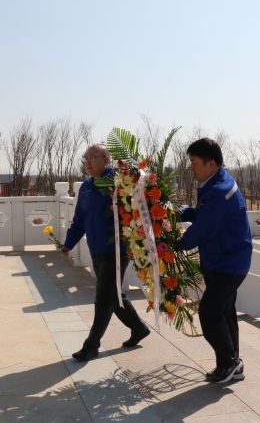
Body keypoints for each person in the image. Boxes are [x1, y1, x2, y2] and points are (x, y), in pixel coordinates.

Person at [61, 144, 150, 361]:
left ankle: (91, 345)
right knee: (114, 295)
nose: (88, 162)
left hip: (116, 251)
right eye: (86, 158)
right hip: (96, 249)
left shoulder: (120, 182)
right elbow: (80, 219)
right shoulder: (86, 187)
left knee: (103, 299)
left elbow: (137, 211)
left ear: (107, 159)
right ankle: (139, 328)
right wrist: (69, 243)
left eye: (93, 158)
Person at [178, 138, 252, 384]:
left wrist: (174, 244)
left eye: (194, 162)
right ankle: (231, 363)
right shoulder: (215, 183)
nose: (191, 167)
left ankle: (229, 362)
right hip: (221, 260)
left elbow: (203, 228)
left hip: (229, 263)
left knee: (209, 313)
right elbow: (203, 214)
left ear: (211, 163)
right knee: (224, 313)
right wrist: (178, 212)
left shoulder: (220, 191)